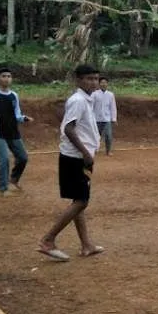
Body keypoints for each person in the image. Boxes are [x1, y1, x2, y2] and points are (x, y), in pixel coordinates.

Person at [38, 65, 104, 262]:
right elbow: (68, 128)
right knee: (82, 201)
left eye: (95, 78)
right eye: (89, 79)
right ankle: (48, 240)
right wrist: (85, 153)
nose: (93, 82)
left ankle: (86, 245)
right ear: (78, 80)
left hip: (78, 156)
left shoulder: (86, 100)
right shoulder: (78, 101)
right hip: (75, 158)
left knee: (78, 200)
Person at [0, 66, 32, 197]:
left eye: (9, 76)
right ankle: (3, 188)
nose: (6, 79)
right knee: (4, 159)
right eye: (3, 76)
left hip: (13, 131)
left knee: (23, 157)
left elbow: (17, 114)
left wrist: (24, 118)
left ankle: (13, 180)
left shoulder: (14, 95)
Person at [93, 77, 118, 155]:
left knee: (108, 135)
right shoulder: (94, 94)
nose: (103, 84)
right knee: (96, 136)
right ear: (99, 84)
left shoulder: (110, 94)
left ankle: (108, 151)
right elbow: (91, 106)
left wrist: (114, 119)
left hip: (107, 118)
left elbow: (113, 107)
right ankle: (94, 149)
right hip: (96, 118)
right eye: (102, 82)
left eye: (105, 82)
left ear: (107, 84)